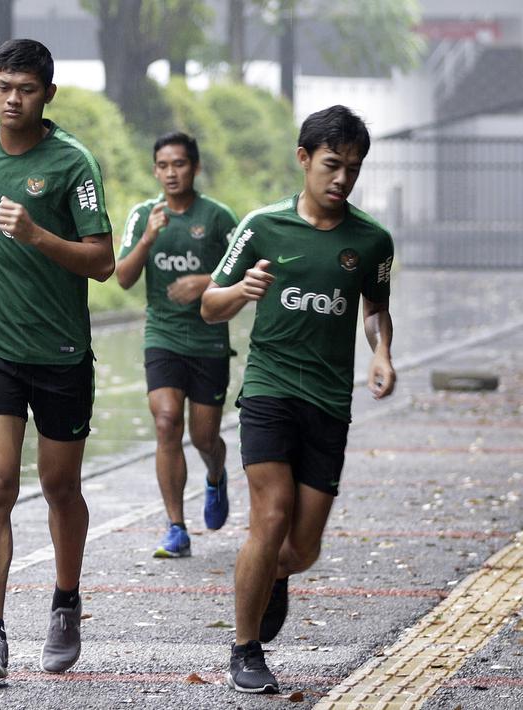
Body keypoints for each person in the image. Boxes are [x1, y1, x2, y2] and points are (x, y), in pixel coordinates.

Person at [201, 105, 395, 694]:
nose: (342, 179)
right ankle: (244, 647)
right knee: (271, 511)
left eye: (353, 169)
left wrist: (382, 353)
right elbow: (210, 302)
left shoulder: (371, 240)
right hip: (269, 390)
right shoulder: (262, 226)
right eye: (332, 165)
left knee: (302, 548)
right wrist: (239, 291)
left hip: (329, 402)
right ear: (304, 159)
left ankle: (275, 576)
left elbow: (376, 310)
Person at [0, 38, 115, 678]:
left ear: (47, 95)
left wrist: (36, 234)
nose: (14, 99)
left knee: (59, 487)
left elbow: (102, 262)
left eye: (28, 89)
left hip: (61, 351)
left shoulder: (72, 164)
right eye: (5, 86)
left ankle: (65, 601)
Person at [116, 132, 238, 558]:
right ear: (155, 170)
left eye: (180, 164)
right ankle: (175, 527)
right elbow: (124, 277)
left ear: (195, 168)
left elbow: (249, 271)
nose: (172, 173)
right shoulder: (143, 215)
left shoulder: (219, 218)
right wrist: (148, 238)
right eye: (164, 166)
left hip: (208, 339)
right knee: (167, 422)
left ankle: (216, 475)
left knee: (205, 437)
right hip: (163, 337)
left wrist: (206, 281)